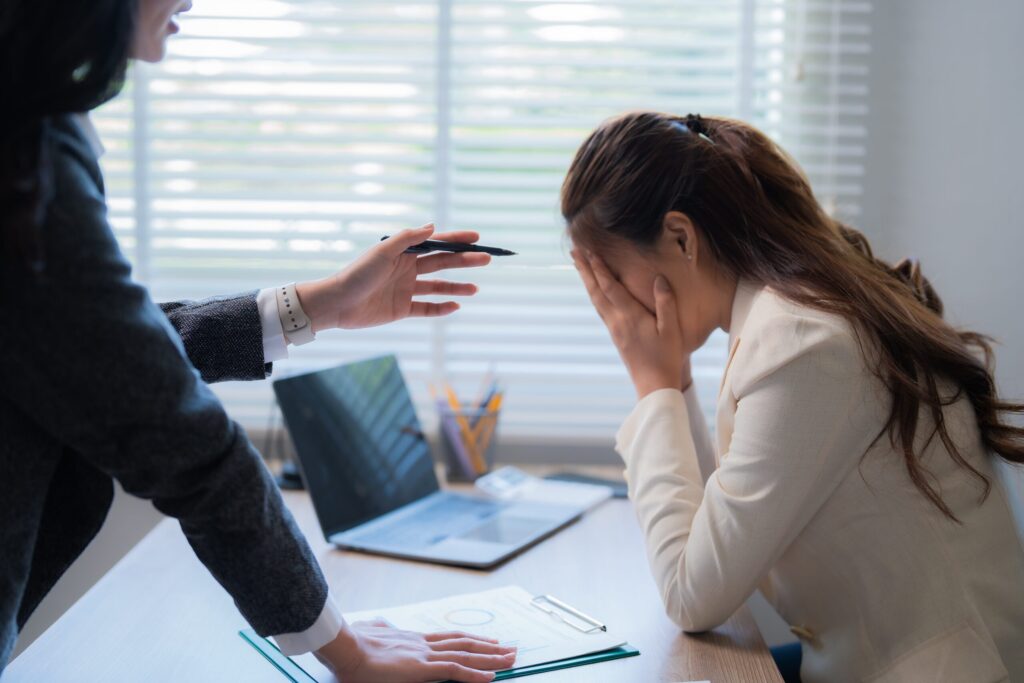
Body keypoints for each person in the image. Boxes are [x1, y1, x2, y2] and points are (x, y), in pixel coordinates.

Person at [0, 0, 517, 680]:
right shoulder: (23, 150)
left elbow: (94, 348)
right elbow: (178, 433)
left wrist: (318, 305)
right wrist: (345, 648)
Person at [561, 111, 1024, 682]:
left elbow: (693, 594)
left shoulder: (799, 343)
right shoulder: (786, 313)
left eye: (611, 279)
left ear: (681, 237)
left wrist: (653, 382)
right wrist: (672, 378)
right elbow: (720, 540)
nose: (613, 308)